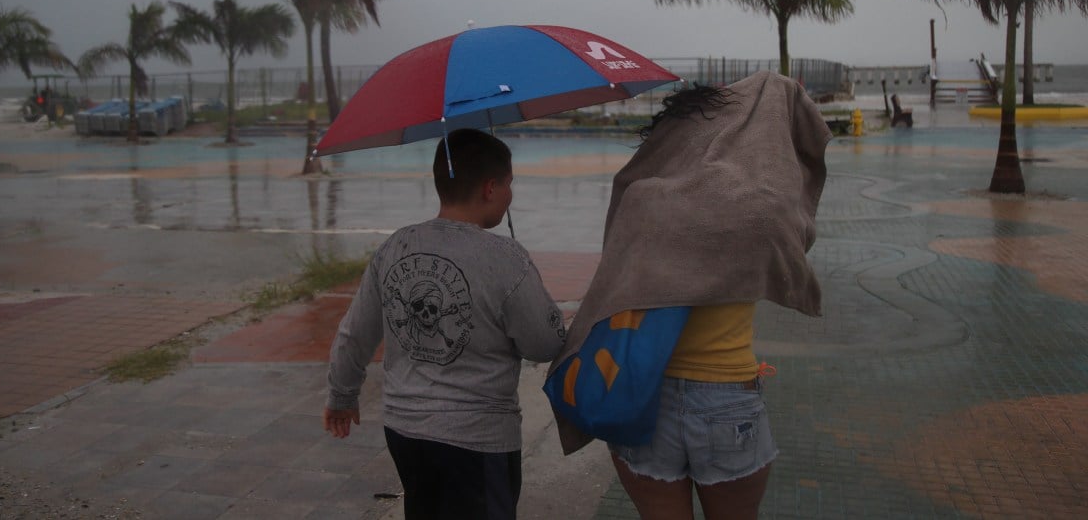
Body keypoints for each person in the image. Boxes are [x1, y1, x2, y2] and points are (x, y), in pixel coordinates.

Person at [548, 70, 832, 520]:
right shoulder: (755, 205)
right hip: (727, 397)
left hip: (642, 394)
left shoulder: (644, 199)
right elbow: (795, 223)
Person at [325, 128, 567, 520]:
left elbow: (355, 333)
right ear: (490, 188)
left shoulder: (396, 246)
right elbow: (544, 344)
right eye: (509, 184)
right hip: (478, 438)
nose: (510, 195)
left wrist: (341, 395)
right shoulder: (506, 258)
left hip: (405, 432)